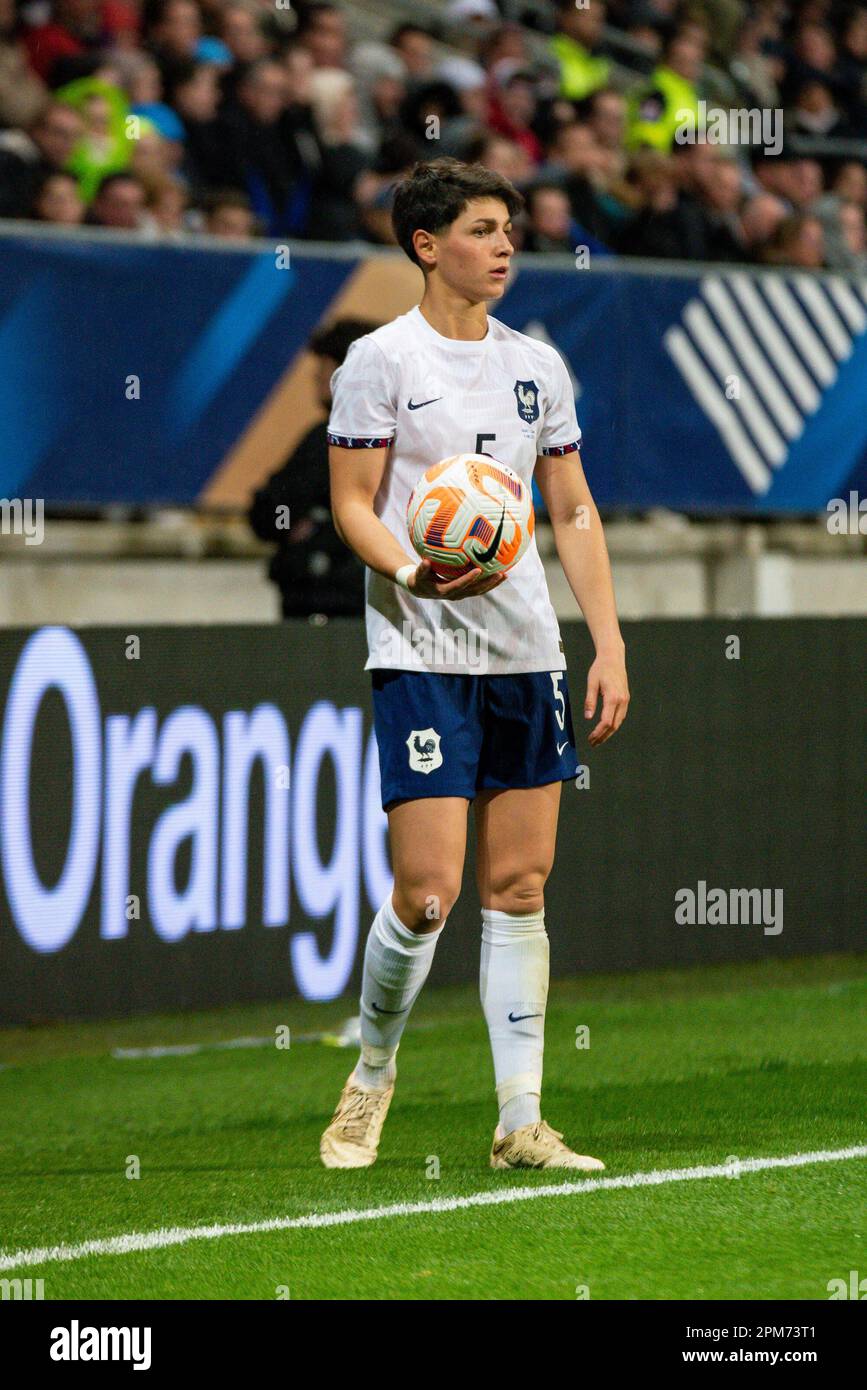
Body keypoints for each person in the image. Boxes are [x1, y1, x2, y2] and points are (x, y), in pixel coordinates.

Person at [321, 156, 629, 1172]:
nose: (506, 245)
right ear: (426, 243)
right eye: (486, 228)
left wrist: (607, 637)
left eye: (510, 228)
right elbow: (354, 505)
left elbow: (573, 507)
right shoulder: (380, 361)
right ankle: (372, 1071)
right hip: (418, 647)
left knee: (522, 884)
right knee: (425, 891)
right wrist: (413, 566)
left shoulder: (536, 363)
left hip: (523, 650)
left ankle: (519, 1120)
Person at [248, 318, 372, 618]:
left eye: (327, 364)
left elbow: (270, 509)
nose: (317, 375)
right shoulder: (412, 433)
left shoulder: (330, 441)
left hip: (327, 608)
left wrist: (318, 530)